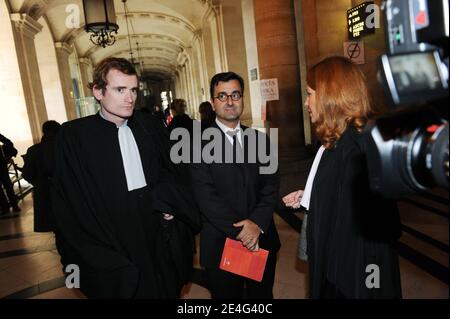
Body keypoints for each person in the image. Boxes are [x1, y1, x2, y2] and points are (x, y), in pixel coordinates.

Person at [51, 57, 201, 298]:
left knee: (164, 286)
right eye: (120, 90)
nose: (129, 98)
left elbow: (171, 172)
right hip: (110, 231)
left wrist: (169, 203)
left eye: (132, 90)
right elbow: (68, 197)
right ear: (98, 91)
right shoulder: (74, 136)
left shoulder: (150, 126)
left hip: (154, 224)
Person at [283, 56, 402, 299]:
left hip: (351, 278)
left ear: (329, 95)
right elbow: (341, 194)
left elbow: (373, 240)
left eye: (309, 94)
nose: (306, 103)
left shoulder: (358, 147)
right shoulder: (336, 141)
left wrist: (368, 285)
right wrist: (311, 195)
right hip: (335, 269)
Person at [190, 72, 280, 299]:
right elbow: (205, 196)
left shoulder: (260, 140)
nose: (230, 102)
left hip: (261, 240)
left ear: (242, 99)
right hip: (221, 244)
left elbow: (271, 185)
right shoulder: (197, 145)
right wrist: (242, 230)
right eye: (222, 96)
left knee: (261, 299)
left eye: (235, 95)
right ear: (213, 102)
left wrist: (256, 224)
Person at [22, 121, 61, 232]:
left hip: (43, 191)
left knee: (53, 226)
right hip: (65, 192)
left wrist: (38, 182)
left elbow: (27, 173)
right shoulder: (66, 148)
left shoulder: (34, 150)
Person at [0, 133, 20, 214]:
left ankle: (6, 207)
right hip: (2, 166)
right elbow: (8, 143)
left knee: (7, 186)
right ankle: (12, 205)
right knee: (8, 186)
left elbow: (8, 142)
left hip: (1, 166)